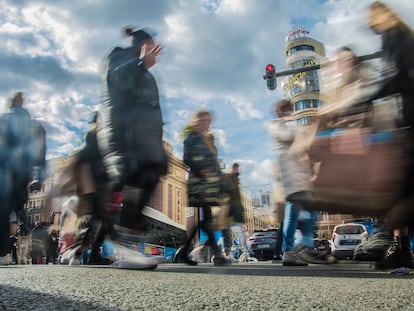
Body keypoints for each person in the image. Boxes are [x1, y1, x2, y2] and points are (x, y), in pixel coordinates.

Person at [97, 26, 168, 269]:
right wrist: (139, 65)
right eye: (150, 44)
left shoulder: (147, 73)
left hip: (144, 139)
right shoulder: (119, 56)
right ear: (140, 44)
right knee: (127, 176)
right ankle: (121, 246)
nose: (154, 50)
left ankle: (126, 243)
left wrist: (159, 146)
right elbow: (115, 81)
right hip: (121, 133)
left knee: (148, 177)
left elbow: (153, 112)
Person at [366, 1, 414, 269]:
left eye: (371, 14)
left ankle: (401, 249)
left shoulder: (393, 34)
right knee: (404, 187)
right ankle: (402, 249)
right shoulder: (403, 34)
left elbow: (399, 77)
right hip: (407, 119)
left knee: (401, 188)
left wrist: (368, 98)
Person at [267, 99, 334, 266]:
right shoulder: (277, 125)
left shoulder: (290, 124)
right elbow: (289, 137)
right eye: (288, 111)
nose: (291, 113)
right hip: (292, 175)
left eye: (291, 110)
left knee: (298, 213)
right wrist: (297, 126)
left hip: (301, 176)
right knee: (302, 212)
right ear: (282, 112)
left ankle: (295, 250)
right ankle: (296, 249)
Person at [174, 110, 230, 266]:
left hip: (210, 184)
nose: (208, 123)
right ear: (197, 121)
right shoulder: (191, 136)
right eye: (204, 120)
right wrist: (202, 171)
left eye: (209, 120)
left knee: (206, 219)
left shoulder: (208, 139)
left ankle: (184, 252)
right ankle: (217, 255)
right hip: (199, 183)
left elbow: (214, 163)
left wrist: (221, 182)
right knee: (207, 219)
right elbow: (187, 158)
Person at [0, 92, 46, 265]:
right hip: (22, 172)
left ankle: (4, 251)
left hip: (4, 170)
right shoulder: (34, 125)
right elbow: (41, 153)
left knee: (4, 210)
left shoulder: (4, 119)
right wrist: (39, 177)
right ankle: (7, 248)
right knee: (14, 207)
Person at [221, 162, 247, 260]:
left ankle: (244, 253)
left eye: (238, 168)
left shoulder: (236, 180)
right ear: (233, 169)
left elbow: (237, 198)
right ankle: (227, 254)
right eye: (236, 168)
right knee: (226, 233)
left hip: (235, 211)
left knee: (239, 232)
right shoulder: (229, 178)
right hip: (228, 210)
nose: (237, 170)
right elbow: (226, 193)